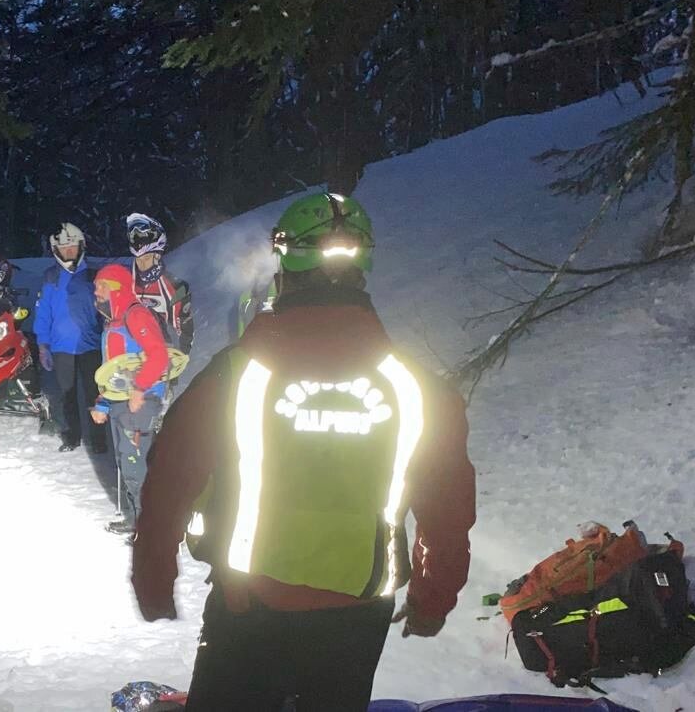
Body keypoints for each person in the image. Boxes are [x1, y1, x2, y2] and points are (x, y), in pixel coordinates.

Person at [130, 194, 477, 710]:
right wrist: (431, 601)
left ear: (283, 265)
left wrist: (154, 579)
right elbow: (447, 508)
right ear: (362, 266)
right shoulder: (417, 387)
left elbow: (170, 482)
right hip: (357, 615)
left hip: (247, 607)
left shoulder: (235, 374)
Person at [89, 263, 171, 538]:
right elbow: (112, 371)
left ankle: (150, 527)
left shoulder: (136, 315)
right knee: (126, 461)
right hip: (121, 402)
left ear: (116, 288)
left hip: (140, 400)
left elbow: (159, 355)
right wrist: (102, 403)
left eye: (101, 286)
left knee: (136, 463)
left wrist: (139, 389)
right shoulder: (112, 323)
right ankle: (136, 520)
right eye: (96, 285)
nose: (96, 291)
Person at [33, 222, 105, 454]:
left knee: (95, 395)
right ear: (57, 251)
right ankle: (73, 436)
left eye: (73, 247)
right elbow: (43, 313)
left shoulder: (94, 276)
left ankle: (99, 439)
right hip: (62, 348)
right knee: (67, 395)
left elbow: (107, 311)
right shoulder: (51, 277)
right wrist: (43, 345)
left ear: (81, 246)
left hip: (90, 345)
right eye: (64, 249)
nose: (69, 252)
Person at [125, 213, 193, 356]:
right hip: (130, 357)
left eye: (147, 258)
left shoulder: (176, 288)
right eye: (139, 259)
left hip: (162, 358)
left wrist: (180, 358)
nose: (142, 264)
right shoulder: (126, 281)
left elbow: (185, 331)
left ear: (157, 256)